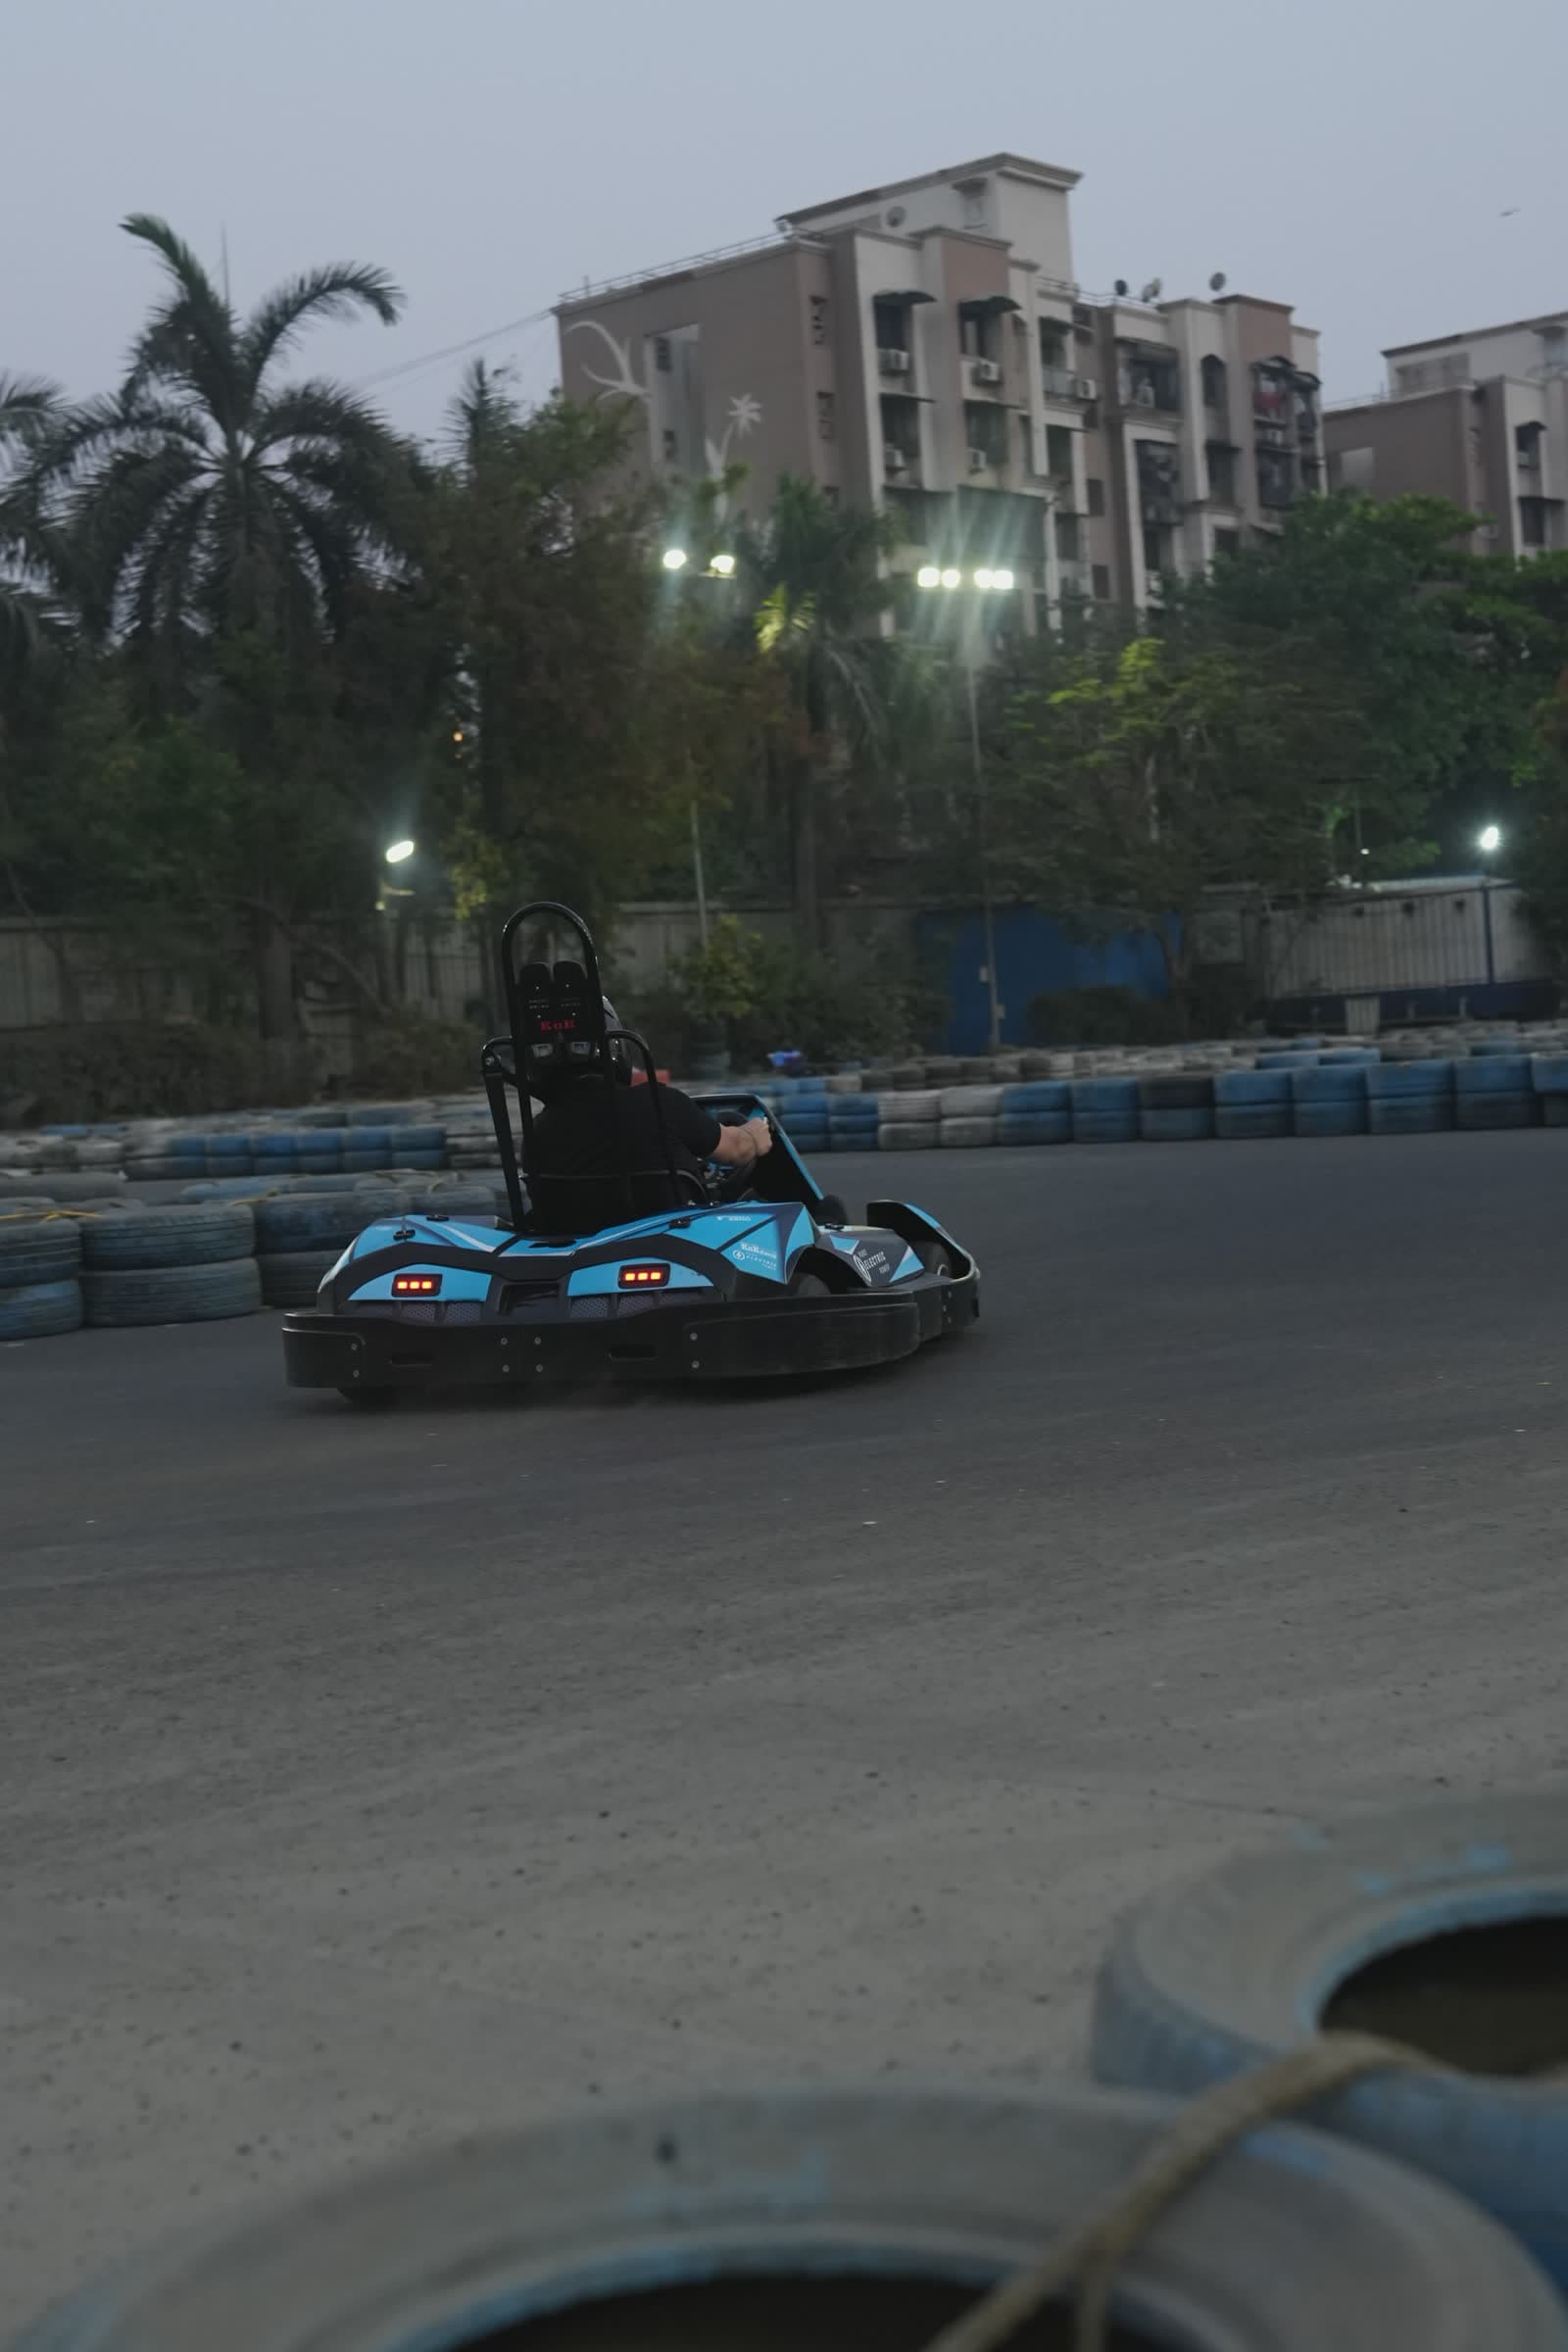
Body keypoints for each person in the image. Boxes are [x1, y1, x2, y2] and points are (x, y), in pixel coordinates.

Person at [529, 998, 771, 1192]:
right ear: (616, 1046)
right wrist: (753, 1132)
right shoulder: (660, 1104)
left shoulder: (539, 1131)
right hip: (669, 1244)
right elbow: (738, 1150)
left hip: (578, 1245)